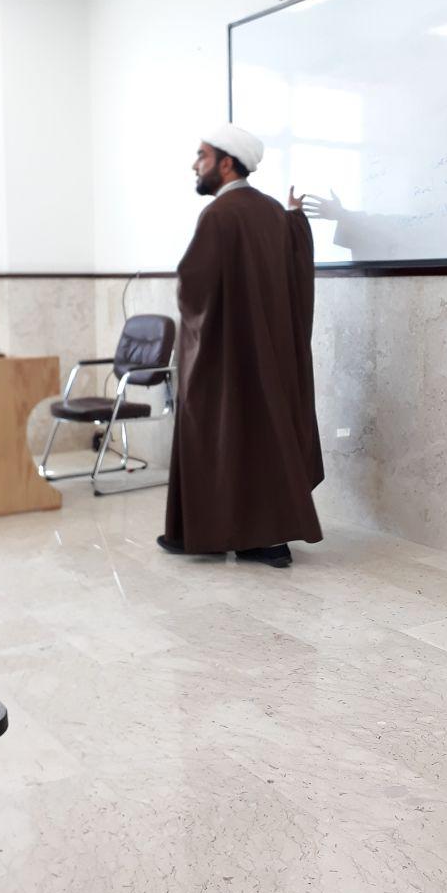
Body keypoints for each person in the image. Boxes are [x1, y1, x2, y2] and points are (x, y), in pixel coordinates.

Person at [158, 124, 324, 569]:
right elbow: (293, 267)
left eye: (202, 155)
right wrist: (296, 218)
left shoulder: (219, 215)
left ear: (227, 163)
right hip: (269, 357)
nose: (195, 165)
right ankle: (267, 540)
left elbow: (195, 286)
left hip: (228, 358)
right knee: (261, 437)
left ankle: (214, 533)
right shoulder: (272, 212)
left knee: (219, 434)